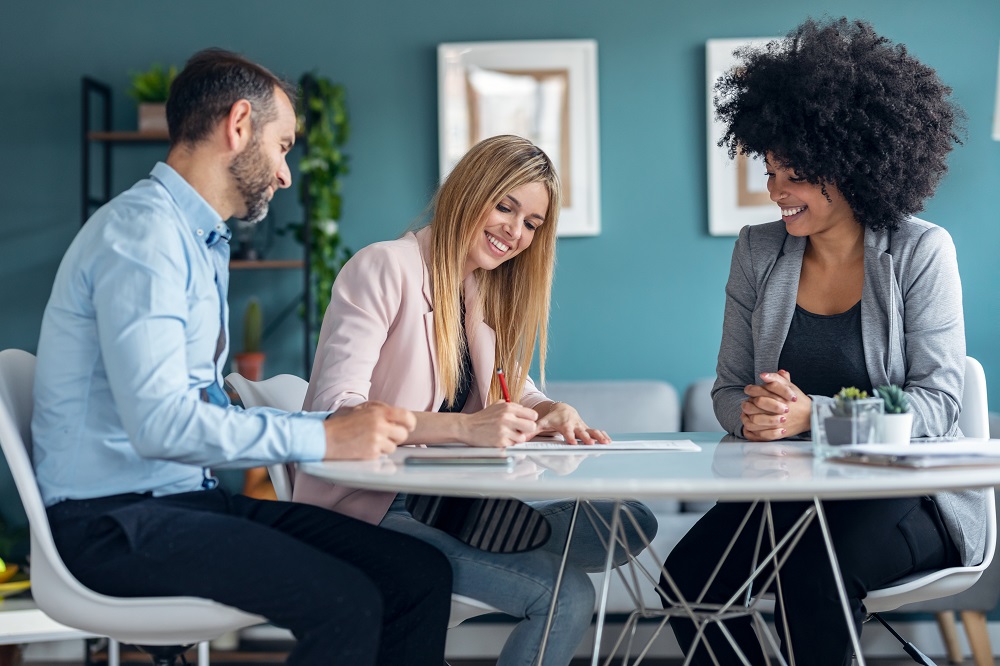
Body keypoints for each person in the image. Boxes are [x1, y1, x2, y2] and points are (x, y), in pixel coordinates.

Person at [31, 48, 452, 666]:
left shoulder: (197, 239)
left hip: (181, 503)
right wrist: (327, 441)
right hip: (112, 525)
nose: (286, 174)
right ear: (237, 126)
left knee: (417, 573)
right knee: (346, 602)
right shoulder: (144, 237)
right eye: (283, 146)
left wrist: (331, 430)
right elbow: (161, 426)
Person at [661, 18, 988, 665]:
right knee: (688, 582)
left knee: (812, 574)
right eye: (771, 170)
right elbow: (727, 392)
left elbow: (941, 403)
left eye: (796, 174)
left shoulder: (920, 251)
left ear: (853, 162)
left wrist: (820, 417)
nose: (776, 190)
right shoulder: (759, 250)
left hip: (905, 493)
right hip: (792, 494)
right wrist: (756, 415)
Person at [292, 134, 659, 666]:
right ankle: (505, 539)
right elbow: (337, 410)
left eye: (532, 223)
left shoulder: (479, 291)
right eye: (505, 206)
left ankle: (498, 534)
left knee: (628, 521)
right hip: (371, 509)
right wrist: (466, 430)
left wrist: (546, 410)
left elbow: (509, 388)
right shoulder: (384, 267)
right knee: (568, 594)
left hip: (443, 497)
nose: (515, 231)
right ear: (469, 191)